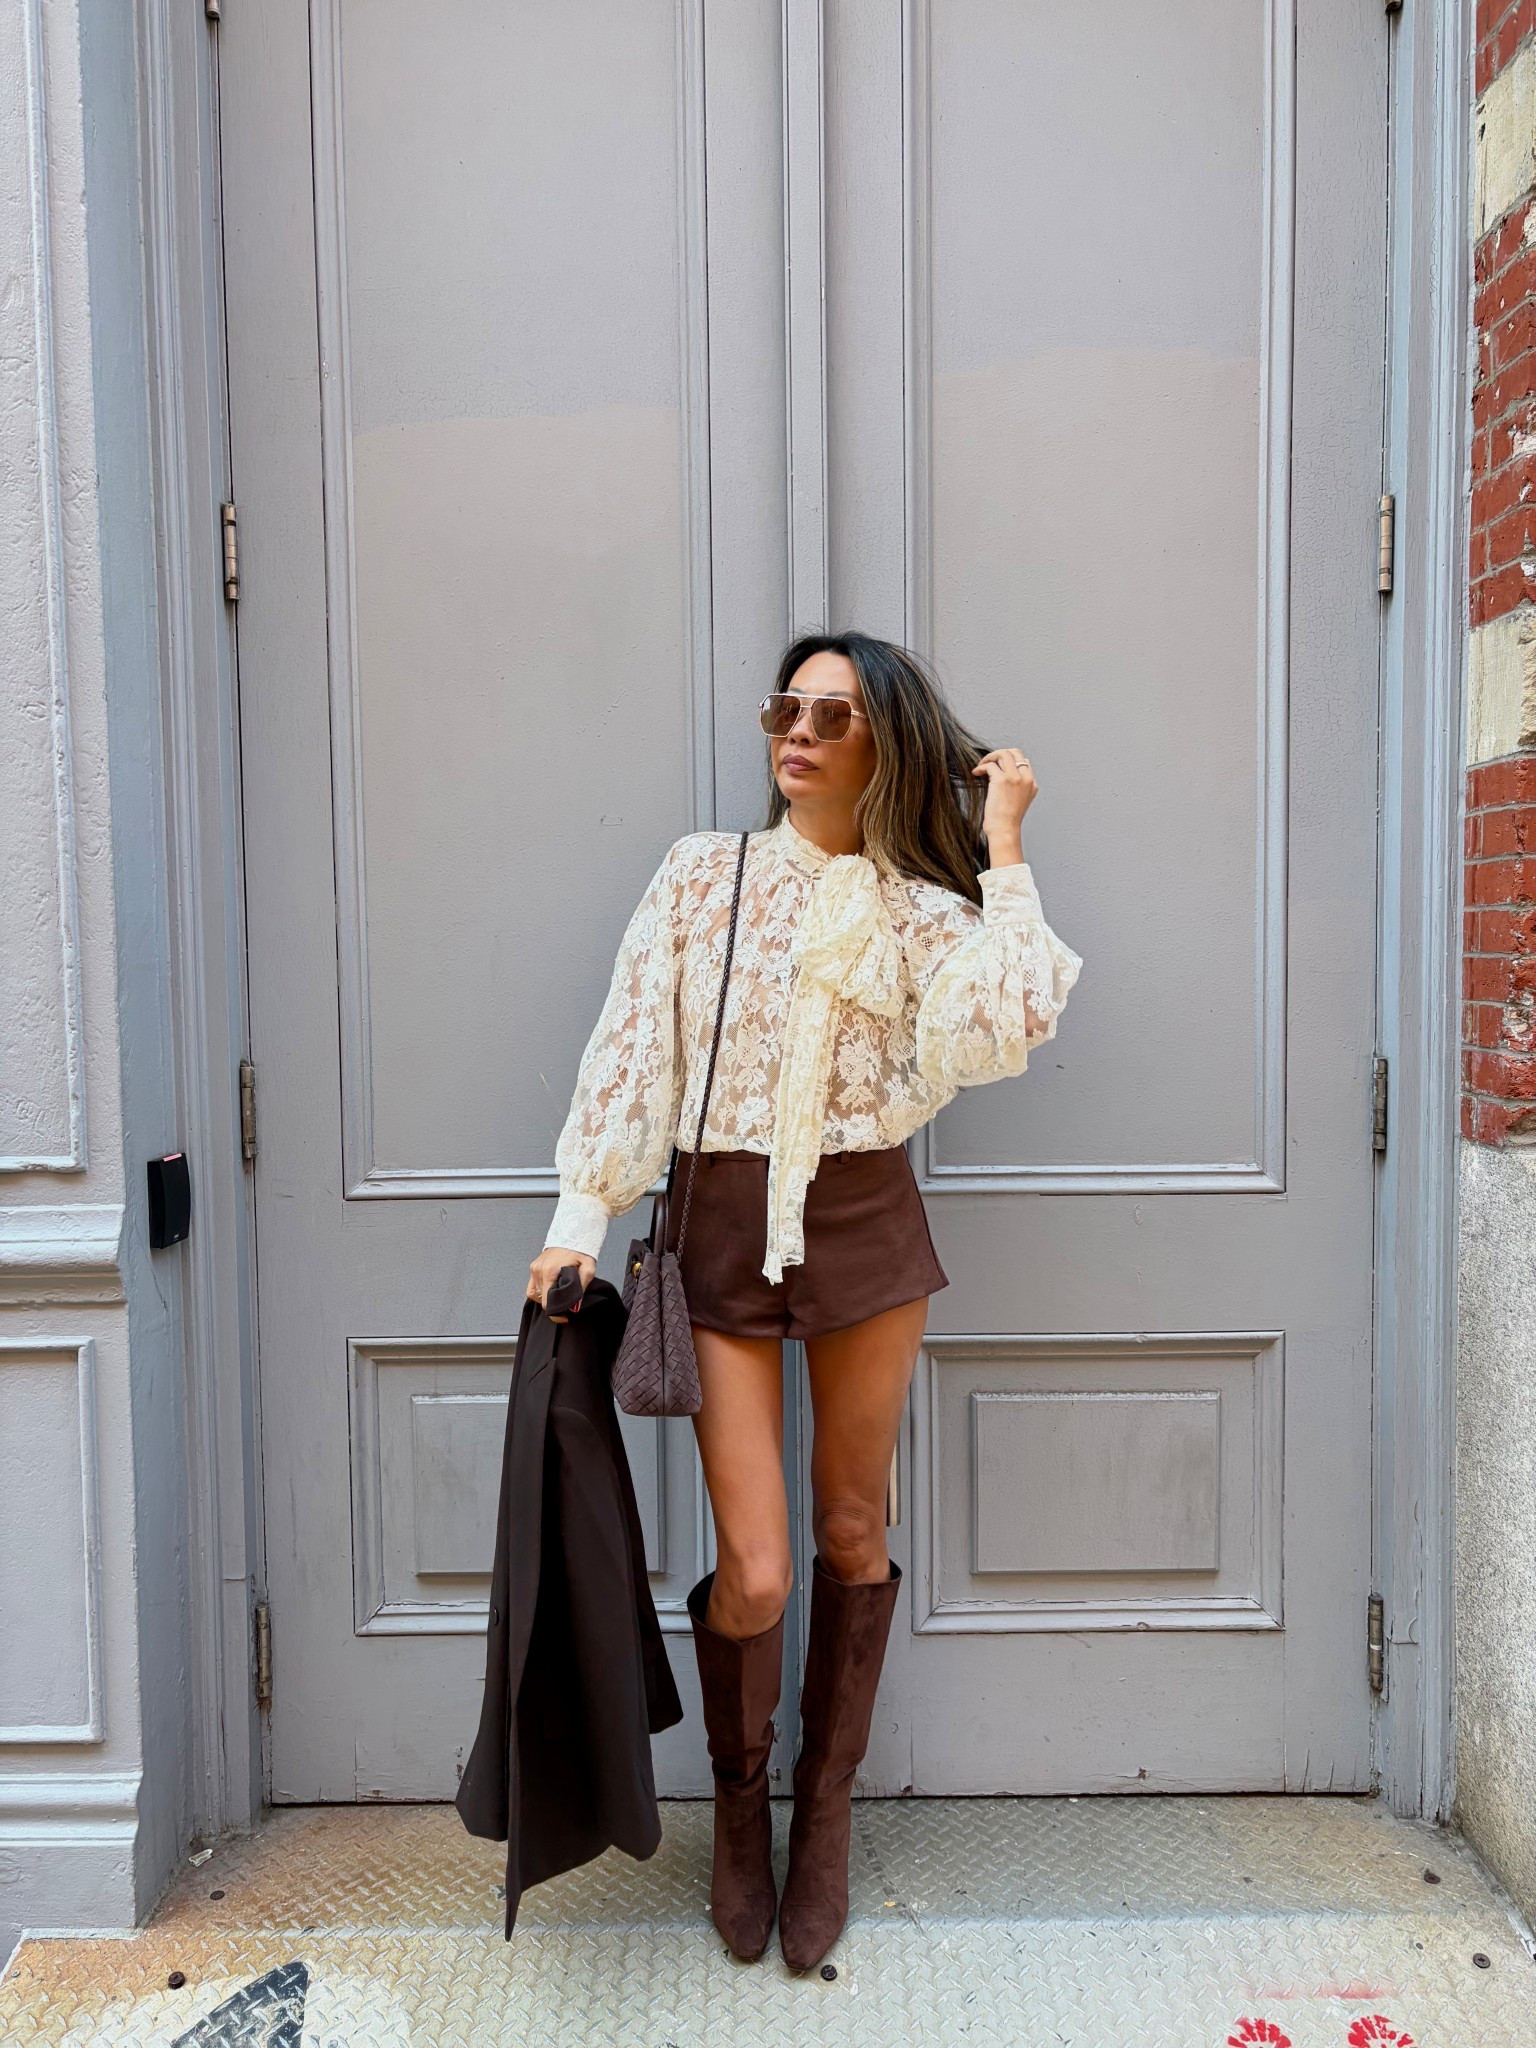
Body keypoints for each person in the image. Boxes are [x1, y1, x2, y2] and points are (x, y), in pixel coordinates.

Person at [527, 631, 1081, 1971]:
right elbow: (634, 1040)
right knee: (760, 1573)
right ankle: (738, 1806)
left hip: (864, 1219)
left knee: (848, 1529)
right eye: (791, 706)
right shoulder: (701, 877)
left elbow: (1006, 1025)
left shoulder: (917, 908)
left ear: (883, 745)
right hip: (718, 1220)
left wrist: (1003, 842)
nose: (802, 732)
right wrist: (579, 1217)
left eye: (836, 716)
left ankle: (820, 1816)